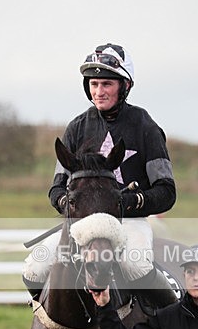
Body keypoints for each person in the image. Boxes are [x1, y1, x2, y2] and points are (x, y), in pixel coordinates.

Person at [22, 43, 177, 308]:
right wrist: (67, 203)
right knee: (34, 269)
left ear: (124, 87)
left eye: (107, 84)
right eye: (94, 84)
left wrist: (126, 202)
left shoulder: (145, 126)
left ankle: (176, 323)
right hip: (81, 226)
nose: (99, 92)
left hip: (129, 223)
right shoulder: (76, 128)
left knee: (136, 265)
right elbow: (56, 189)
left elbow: (166, 192)